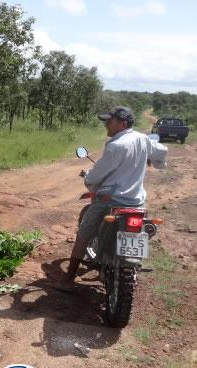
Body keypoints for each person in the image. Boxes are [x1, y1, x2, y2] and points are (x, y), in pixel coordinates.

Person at [61, 106, 168, 285]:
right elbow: (163, 150)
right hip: (136, 203)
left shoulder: (116, 145)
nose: (106, 125)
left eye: (110, 121)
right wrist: (154, 161)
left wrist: (88, 177)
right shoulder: (143, 139)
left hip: (110, 201)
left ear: (122, 123)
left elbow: (97, 175)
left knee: (83, 234)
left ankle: (69, 277)